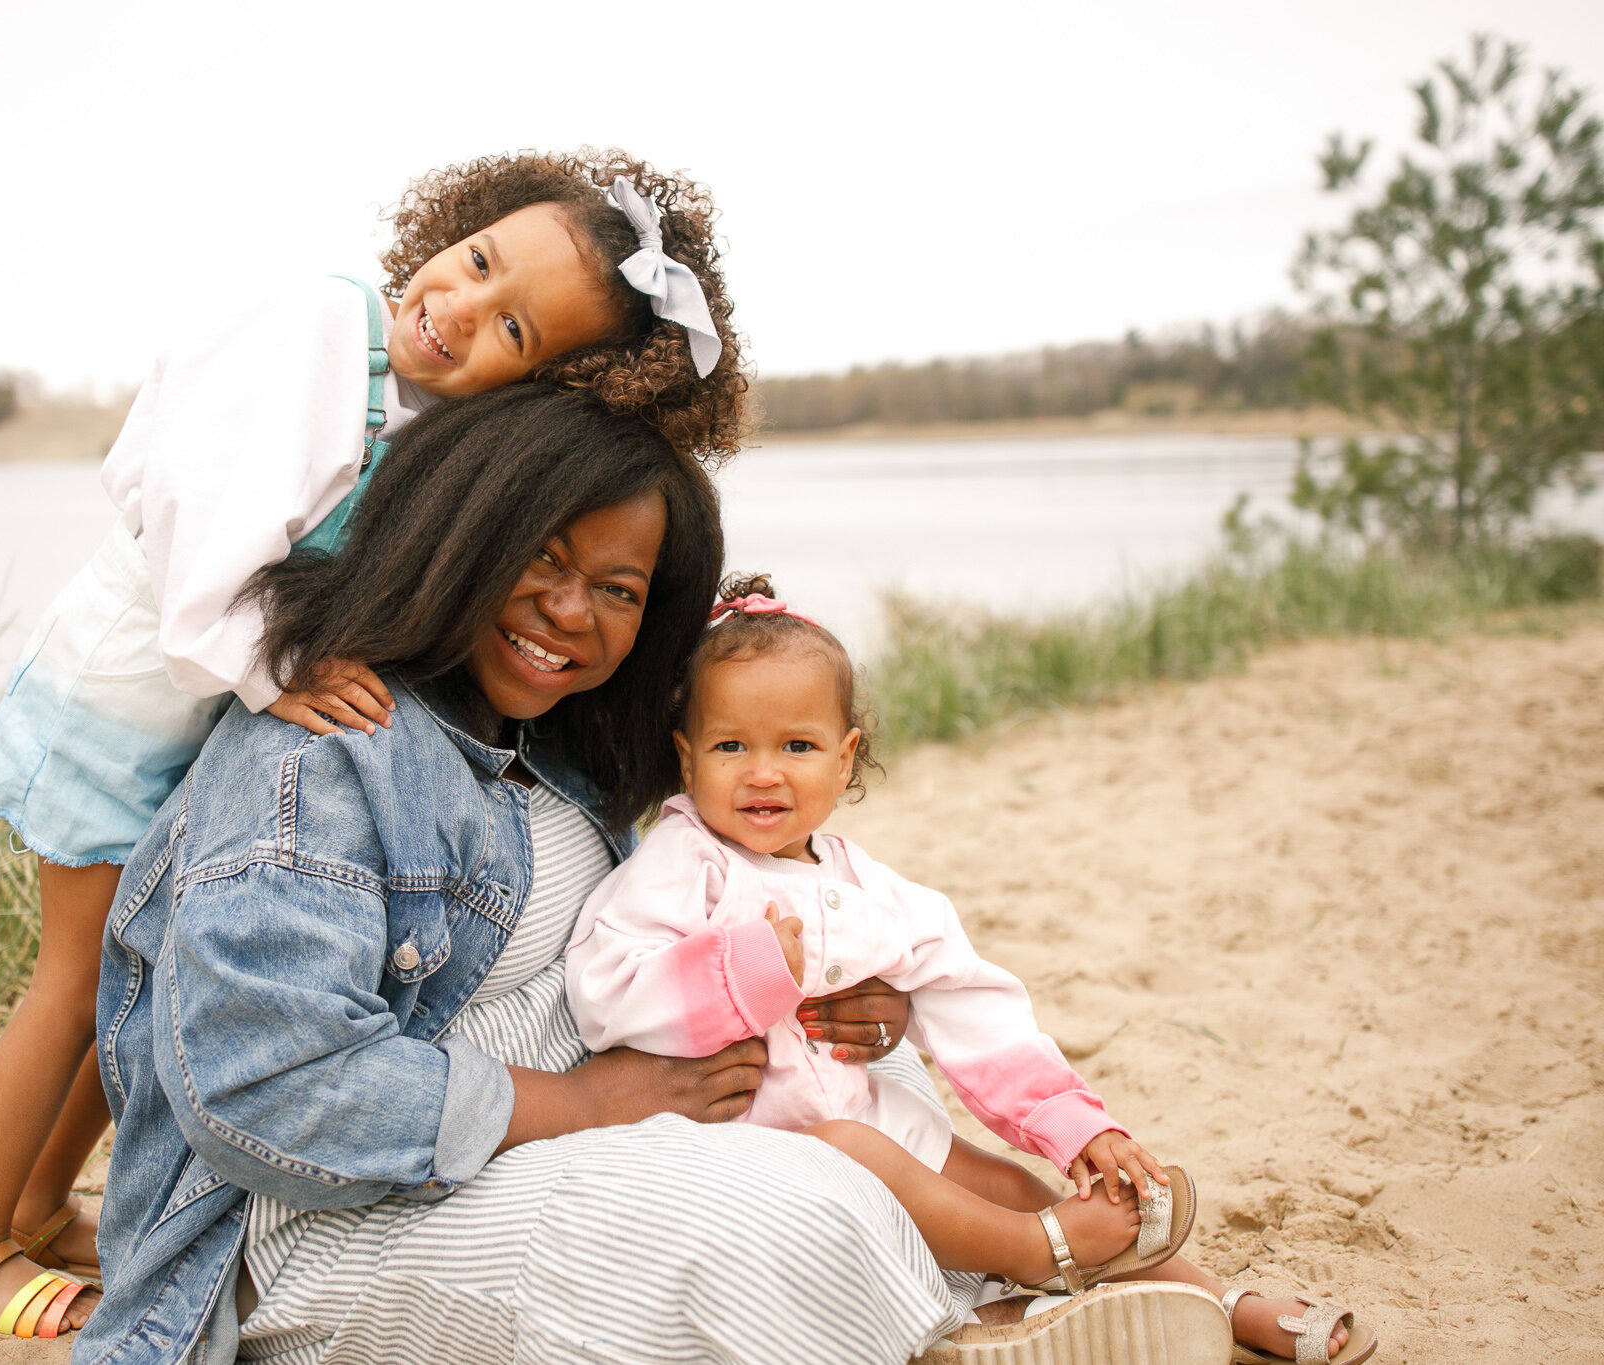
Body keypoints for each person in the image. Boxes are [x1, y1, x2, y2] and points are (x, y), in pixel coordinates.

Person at [61, 387, 1243, 1365]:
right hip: (326, 1226)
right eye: (541, 558)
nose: (571, 612)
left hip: (550, 1156)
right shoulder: (323, 756)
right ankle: (961, 1327)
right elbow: (266, 1089)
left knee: (871, 1121)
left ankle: (996, 1317)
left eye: (620, 591)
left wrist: (850, 1013)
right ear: (456, 537)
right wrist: (582, 1104)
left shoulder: (559, 753)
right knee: (793, 1209)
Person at [0, 150, 750, 1337]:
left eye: (511, 327)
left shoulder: (424, 409)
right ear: (455, 225)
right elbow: (198, 541)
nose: (459, 308)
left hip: (212, 677)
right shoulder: (312, 328)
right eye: (474, 262)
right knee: (73, 977)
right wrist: (285, 674)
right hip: (136, 678)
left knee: (143, 974)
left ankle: (46, 1201)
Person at [564, 575, 1378, 1365]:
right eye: (731, 745)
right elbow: (605, 986)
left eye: (798, 746)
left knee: (1007, 1180)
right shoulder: (685, 860)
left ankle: (1217, 1302)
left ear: (846, 759)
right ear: (687, 754)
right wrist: (745, 967)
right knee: (856, 1147)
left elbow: (972, 1004)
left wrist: (1077, 1124)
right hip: (750, 1149)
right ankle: (1035, 1259)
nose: (764, 770)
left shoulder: (868, 888)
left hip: (863, 1118)